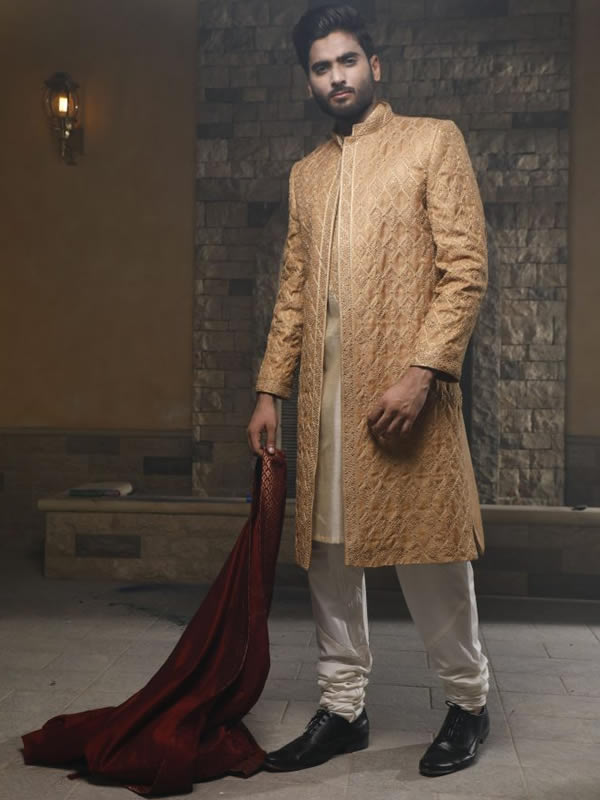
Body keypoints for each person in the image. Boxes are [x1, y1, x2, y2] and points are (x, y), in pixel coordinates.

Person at [247, 4, 489, 778]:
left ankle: (467, 703)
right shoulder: (307, 175)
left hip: (408, 391)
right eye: (321, 67)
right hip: (324, 402)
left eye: (347, 61)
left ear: (374, 66)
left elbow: (465, 270)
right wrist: (270, 389)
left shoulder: (431, 141)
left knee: (432, 556)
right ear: (309, 81)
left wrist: (424, 373)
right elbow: (293, 293)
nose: (336, 76)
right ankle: (343, 708)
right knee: (328, 556)